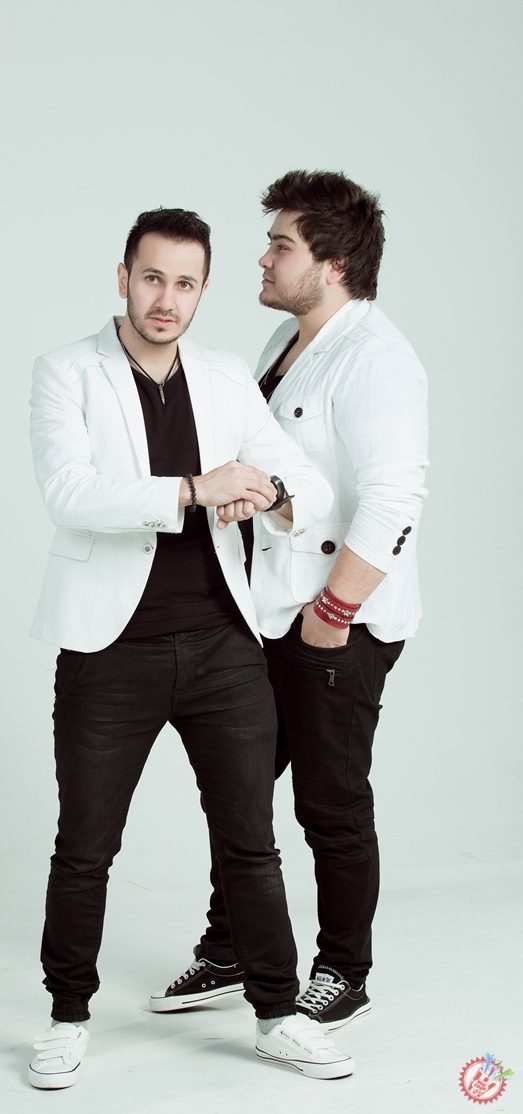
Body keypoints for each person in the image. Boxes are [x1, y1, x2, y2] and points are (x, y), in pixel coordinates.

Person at [27, 207, 355, 1089]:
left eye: (185, 283)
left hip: (222, 646)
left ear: (203, 290)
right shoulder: (67, 371)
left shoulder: (222, 376)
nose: (165, 300)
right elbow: (69, 493)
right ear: (123, 278)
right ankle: (65, 1017)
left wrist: (267, 493)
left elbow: (307, 482)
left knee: (249, 842)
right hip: (110, 649)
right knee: (85, 847)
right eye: (151, 278)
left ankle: (277, 1015)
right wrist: (192, 490)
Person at [151, 172, 429, 1034]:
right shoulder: (288, 336)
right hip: (264, 612)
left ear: (333, 264)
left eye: (280, 245)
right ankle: (230, 948)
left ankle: (343, 969)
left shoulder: (378, 359)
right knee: (237, 790)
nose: (262, 259)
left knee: (328, 803)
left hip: (334, 624)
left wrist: (332, 617)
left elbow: (393, 502)